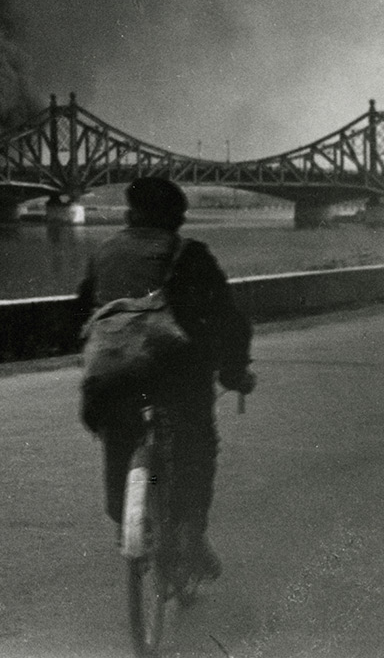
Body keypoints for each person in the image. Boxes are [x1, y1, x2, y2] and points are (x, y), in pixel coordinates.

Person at [77, 176, 255, 581]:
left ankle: (127, 514)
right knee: (198, 444)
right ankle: (192, 536)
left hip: (114, 377)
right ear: (176, 220)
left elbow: (80, 312)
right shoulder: (189, 254)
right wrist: (235, 369)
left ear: (129, 214)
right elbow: (228, 318)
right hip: (178, 376)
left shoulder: (103, 253)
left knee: (119, 436)